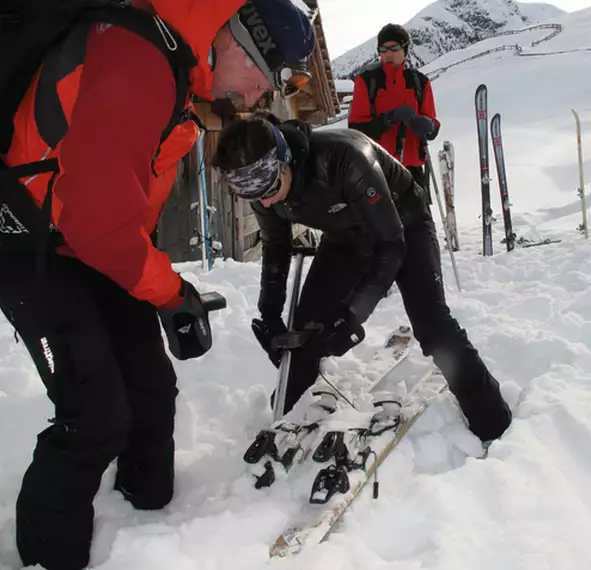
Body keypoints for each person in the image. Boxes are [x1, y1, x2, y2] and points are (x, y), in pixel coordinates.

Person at [0, 1, 315, 569]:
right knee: (94, 413)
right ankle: (48, 557)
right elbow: (99, 222)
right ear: (238, 44)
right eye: (265, 81)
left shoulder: (175, 76)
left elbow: (123, 218)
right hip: (31, 245)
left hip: (87, 248)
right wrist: (170, 294)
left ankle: (148, 526)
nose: (260, 100)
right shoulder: (140, 60)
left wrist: (163, 293)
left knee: (151, 390)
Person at [213, 114, 512, 448]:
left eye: (270, 191)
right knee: (306, 327)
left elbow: (391, 244)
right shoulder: (262, 188)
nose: (266, 202)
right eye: (254, 196)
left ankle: (493, 421)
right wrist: (269, 314)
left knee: (433, 326)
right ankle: (287, 416)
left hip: (403, 224)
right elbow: (276, 248)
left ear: (285, 162)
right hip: (345, 236)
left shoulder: (344, 159)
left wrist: (354, 313)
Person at [348, 23, 439, 201]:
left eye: (394, 48)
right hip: (378, 168)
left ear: (405, 49)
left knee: (419, 226)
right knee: (385, 226)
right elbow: (356, 130)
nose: (388, 54)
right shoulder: (367, 81)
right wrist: (389, 119)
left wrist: (427, 126)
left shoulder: (419, 82)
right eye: (383, 49)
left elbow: (433, 126)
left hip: (413, 169)